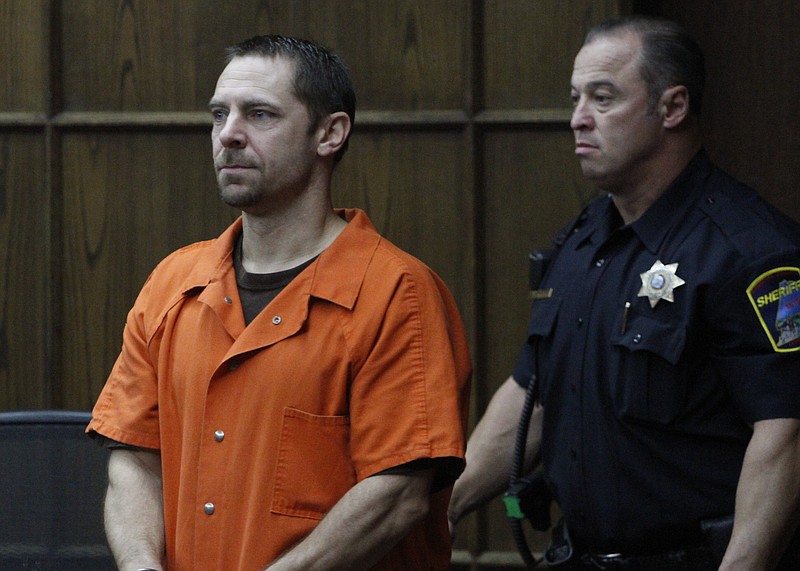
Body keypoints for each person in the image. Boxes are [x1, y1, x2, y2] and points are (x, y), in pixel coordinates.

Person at [86, 34, 471, 571]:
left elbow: (397, 495)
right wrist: (140, 566)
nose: (229, 135)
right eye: (219, 115)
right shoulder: (173, 282)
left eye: (259, 115)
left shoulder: (397, 293)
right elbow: (134, 457)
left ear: (330, 134)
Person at [448, 15, 800, 570]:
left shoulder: (750, 252)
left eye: (603, 99)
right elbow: (532, 396)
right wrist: (438, 512)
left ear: (672, 108)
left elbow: (785, 434)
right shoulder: (584, 240)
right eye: (575, 98)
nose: (577, 119)